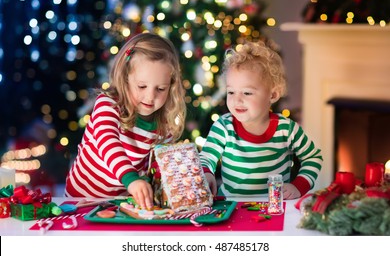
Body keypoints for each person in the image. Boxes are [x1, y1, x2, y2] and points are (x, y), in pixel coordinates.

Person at [65, 33, 186, 209]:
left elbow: (156, 166)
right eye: (142, 86)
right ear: (126, 78)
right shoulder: (108, 105)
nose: (150, 96)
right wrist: (131, 179)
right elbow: (108, 142)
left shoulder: (164, 125)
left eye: (160, 88)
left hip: (121, 204)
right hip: (81, 199)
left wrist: (148, 182)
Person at [200, 40, 323, 200]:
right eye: (231, 92)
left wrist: (298, 186)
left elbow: (313, 157)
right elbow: (206, 158)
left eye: (247, 93)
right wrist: (207, 173)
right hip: (231, 207)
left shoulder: (286, 129)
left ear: (272, 95)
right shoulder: (224, 126)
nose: (237, 100)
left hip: (274, 208)